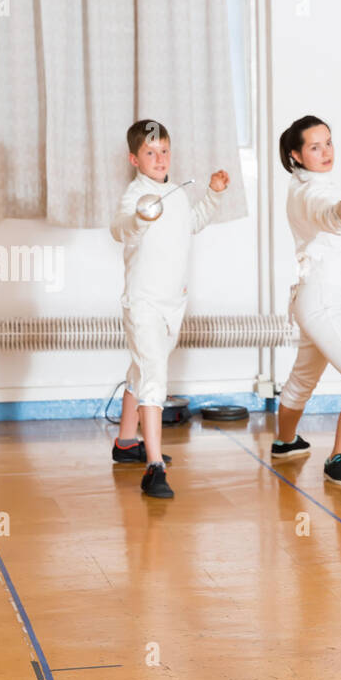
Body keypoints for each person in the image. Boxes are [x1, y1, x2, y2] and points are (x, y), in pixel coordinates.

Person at [110, 119, 229, 499]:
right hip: (143, 302)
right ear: (134, 158)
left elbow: (191, 224)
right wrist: (141, 219)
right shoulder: (135, 195)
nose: (159, 158)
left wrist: (212, 194)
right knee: (154, 377)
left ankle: (127, 441)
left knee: (141, 368)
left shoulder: (176, 193)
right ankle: (154, 467)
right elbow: (121, 228)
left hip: (173, 302)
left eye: (164, 151)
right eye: (150, 152)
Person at [272, 115, 341, 488]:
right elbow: (327, 213)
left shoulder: (306, 184)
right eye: (315, 147)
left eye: (329, 142)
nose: (325, 152)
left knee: (303, 378)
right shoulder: (310, 192)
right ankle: (339, 458)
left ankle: (285, 443)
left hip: (316, 300)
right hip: (322, 303)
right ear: (297, 155)